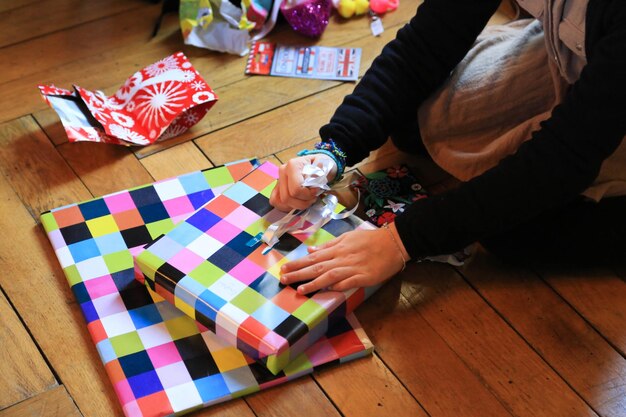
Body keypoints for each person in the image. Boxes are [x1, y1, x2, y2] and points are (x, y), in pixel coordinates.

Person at [270, 0, 626, 295]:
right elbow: (424, 46)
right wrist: (335, 147)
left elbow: (562, 159)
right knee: (412, 124)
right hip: (578, 52)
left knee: (520, 234)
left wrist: (402, 240)